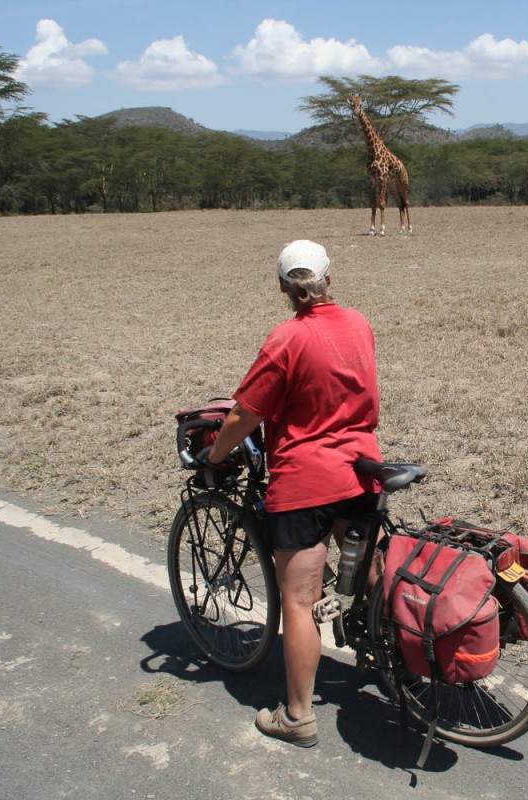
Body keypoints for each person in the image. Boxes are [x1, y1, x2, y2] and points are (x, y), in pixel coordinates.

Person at [202, 239, 381, 748]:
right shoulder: (359, 324)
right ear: (330, 280)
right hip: (362, 471)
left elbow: (245, 414)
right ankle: (396, 660)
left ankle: (298, 717)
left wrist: (216, 456)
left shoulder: (285, 339)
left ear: (284, 287)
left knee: (298, 602)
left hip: (306, 483)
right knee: (366, 568)